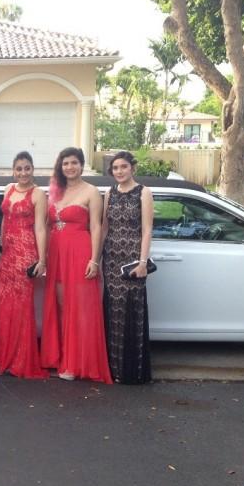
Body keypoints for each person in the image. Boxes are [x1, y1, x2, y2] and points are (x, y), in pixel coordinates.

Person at [41, 147, 112, 384]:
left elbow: (96, 228)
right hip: (57, 254)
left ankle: (77, 362)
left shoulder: (92, 192)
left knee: (80, 309)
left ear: (82, 164)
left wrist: (95, 259)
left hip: (80, 253)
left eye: (74, 163)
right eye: (65, 163)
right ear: (60, 167)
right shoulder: (55, 191)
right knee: (61, 306)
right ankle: (62, 357)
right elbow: (43, 225)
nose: (70, 167)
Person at [100, 150, 154, 384]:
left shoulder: (144, 193)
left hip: (132, 261)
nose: (119, 171)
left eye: (123, 167)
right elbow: (104, 228)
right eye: (115, 168)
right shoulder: (109, 194)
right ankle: (113, 370)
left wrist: (142, 262)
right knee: (113, 312)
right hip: (110, 259)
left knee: (132, 312)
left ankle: (132, 372)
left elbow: (147, 230)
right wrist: (96, 257)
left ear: (133, 168)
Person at [0, 151, 49, 379]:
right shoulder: (9, 189)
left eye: (27, 168)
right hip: (7, 255)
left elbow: (40, 228)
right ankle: (5, 358)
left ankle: (21, 360)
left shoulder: (38, 194)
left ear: (33, 169)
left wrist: (42, 259)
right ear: (13, 170)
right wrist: (0, 244)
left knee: (21, 308)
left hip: (25, 255)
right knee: (5, 306)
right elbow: (5, 220)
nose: (23, 173)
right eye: (19, 169)